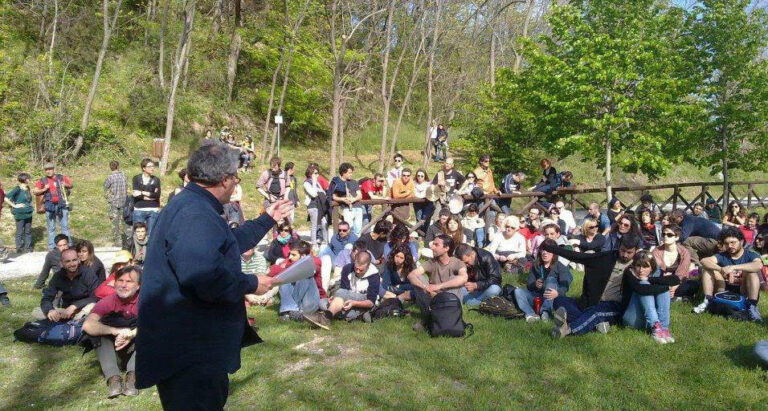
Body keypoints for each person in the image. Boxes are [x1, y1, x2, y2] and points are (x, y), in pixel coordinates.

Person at [135, 142, 291, 409]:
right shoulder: (194, 213)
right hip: (190, 351)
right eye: (236, 178)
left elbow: (225, 243)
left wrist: (267, 219)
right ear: (224, 179)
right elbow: (203, 277)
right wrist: (252, 283)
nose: (235, 184)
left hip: (191, 344)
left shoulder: (193, 205)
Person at [547, 234, 643, 338]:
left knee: (596, 313)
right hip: (592, 302)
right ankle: (596, 325)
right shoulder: (607, 257)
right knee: (559, 301)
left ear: (636, 251)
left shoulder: (639, 266)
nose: (625, 255)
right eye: (623, 250)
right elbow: (579, 257)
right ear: (619, 246)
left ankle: (568, 330)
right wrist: (552, 249)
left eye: (629, 252)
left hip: (614, 306)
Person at [83, 266, 142, 398]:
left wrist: (131, 334)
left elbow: (156, 324)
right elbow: (88, 325)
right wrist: (116, 331)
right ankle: (113, 379)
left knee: (149, 334)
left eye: (129, 281)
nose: (123, 285)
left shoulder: (145, 301)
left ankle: (133, 377)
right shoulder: (107, 302)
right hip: (114, 351)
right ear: (114, 283)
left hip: (136, 351)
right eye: (120, 280)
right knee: (96, 333)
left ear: (138, 286)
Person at [692, 227, 763, 321]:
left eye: (733, 242)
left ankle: (752, 307)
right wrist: (722, 269)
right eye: (726, 243)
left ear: (741, 242)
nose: (729, 246)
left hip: (743, 291)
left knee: (752, 273)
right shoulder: (722, 255)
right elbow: (704, 261)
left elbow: (758, 265)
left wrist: (733, 268)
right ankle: (707, 301)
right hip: (723, 289)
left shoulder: (750, 255)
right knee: (708, 269)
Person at [407, 235, 468, 332]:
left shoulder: (457, 263)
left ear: (446, 248)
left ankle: (451, 319)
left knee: (456, 278)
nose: (432, 247)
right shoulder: (431, 263)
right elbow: (411, 275)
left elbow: (464, 278)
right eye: (433, 244)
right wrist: (425, 287)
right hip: (433, 301)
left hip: (450, 304)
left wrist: (438, 287)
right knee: (418, 278)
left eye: (436, 245)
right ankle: (428, 318)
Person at [306, 251, 380, 328]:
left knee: (342, 293)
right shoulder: (347, 268)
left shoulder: (374, 276)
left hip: (363, 299)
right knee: (322, 302)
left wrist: (354, 303)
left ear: (368, 266)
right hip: (346, 300)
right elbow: (344, 288)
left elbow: (371, 302)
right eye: (356, 268)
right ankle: (356, 315)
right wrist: (335, 298)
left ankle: (326, 317)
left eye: (361, 270)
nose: (358, 271)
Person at [620, 251, 679, 344]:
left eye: (645, 266)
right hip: (632, 318)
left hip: (645, 320)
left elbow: (676, 279)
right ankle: (655, 327)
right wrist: (665, 287)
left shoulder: (655, 273)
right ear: (634, 266)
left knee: (661, 288)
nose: (641, 270)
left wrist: (649, 279)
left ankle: (663, 328)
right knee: (647, 285)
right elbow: (641, 290)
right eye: (638, 266)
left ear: (651, 268)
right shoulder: (629, 272)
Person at [514, 239, 573, 322]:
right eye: (543, 250)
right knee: (518, 291)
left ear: (554, 252)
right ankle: (530, 314)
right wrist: (535, 284)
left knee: (551, 280)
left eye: (548, 250)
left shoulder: (560, 266)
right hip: (538, 298)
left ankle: (546, 311)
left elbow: (565, 285)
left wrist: (558, 292)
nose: (545, 253)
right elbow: (529, 285)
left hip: (554, 299)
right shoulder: (536, 265)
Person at [270, 241, 327, 322]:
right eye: (290, 254)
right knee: (284, 277)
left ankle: (290, 311)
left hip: (310, 300)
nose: (290, 257)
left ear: (303, 256)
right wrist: (287, 268)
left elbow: (308, 268)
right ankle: (291, 311)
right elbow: (272, 270)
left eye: (293, 255)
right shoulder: (290, 260)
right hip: (297, 300)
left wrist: (286, 267)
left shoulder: (315, 260)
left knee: (304, 275)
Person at [39, 248, 99, 322]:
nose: (72, 264)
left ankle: (79, 321)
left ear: (79, 260)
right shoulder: (58, 276)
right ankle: (71, 320)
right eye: (67, 261)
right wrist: (50, 310)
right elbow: (46, 298)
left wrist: (74, 306)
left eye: (74, 260)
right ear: (61, 263)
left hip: (85, 308)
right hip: (65, 311)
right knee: (37, 311)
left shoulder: (88, 274)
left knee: (93, 307)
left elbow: (95, 297)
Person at [33, 162, 73, 250]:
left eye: (50, 169)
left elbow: (71, 185)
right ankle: (52, 247)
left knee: (65, 227)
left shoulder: (61, 177)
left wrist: (65, 184)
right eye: (46, 170)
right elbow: (35, 191)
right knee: (51, 228)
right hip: (49, 206)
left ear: (53, 169)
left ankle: (68, 246)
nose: (48, 171)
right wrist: (44, 188)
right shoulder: (42, 180)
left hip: (62, 205)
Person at [651, 224, 695, 300]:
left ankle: (673, 295)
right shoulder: (656, 251)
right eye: (663, 234)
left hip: (678, 282)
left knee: (693, 285)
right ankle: (675, 297)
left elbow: (682, 273)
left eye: (669, 235)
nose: (665, 237)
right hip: (661, 281)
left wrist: (674, 287)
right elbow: (658, 272)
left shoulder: (684, 252)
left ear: (676, 237)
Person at [4, 173, 34, 253]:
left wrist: (30, 205)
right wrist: (15, 205)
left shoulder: (27, 188)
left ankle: (28, 248)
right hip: (20, 213)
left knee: (28, 231)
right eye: (28, 178)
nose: (29, 179)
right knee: (19, 231)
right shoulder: (17, 188)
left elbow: (28, 199)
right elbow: (5, 197)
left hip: (28, 212)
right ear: (24, 179)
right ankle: (19, 248)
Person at [131, 158, 162, 236]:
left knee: (151, 235)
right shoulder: (136, 178)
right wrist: (151, 196)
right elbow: (136, 195)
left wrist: (142, 192)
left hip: (153, 210)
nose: (152, 168)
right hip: (139, 209)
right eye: (149, 166)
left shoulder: (156, 180)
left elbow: (157, 195)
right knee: (138, 235)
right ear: (143, 168)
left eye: (153, 166)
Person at [332, 163, 364, 237]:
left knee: (358, 229)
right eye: (349, 173)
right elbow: (334, 196)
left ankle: (356, 245)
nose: (351, 174)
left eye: (351, 172)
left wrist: (353, 199)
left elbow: (360, 195)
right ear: (343, 173)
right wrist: (343, 199)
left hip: (358, 207)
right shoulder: (338, 183)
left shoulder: (354, 182)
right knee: (348, 228)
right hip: (347, 209)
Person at [103, 160, 128, 247]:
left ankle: (117, 241)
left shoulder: (110, 177)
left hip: (114, 202)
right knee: (124, 222)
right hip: (124, 202)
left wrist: (108, 197)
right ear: (118, 166)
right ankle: (126, 240)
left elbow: (105, 187)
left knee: (115, 223)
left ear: (111, 167)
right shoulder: (124, 176)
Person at [304, 165, 329, 246]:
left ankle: (326, 242)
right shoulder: (307, 183)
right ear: (310, 173)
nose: (317, 175)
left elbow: (323, 192)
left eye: (317, 173)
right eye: (315, 173)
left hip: (320, 206)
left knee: (324, 223)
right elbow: (314, 194)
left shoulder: (317, 182)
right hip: (312, 205)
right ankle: (314, 244)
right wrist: (314, 182)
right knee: (314, 225)